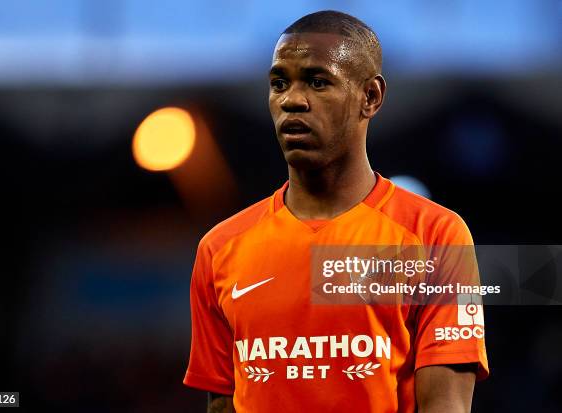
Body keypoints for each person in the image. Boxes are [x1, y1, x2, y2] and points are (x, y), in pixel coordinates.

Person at [183, 10, 488, 412]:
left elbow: (446, 405)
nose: (292, 100)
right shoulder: (219, 248)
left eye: (317, 81)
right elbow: (222, 404)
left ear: (371, 97)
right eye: (279, 83)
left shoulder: (435, 235)